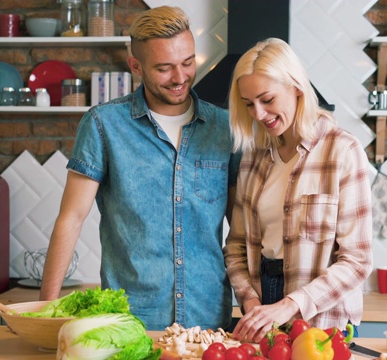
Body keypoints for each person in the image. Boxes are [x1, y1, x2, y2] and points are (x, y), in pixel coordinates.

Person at [39, 6, 241, 331]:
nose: (179, 78)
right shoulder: (104, 125)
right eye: (164, 68)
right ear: (136, 66)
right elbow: (71, 219)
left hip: (208, 324)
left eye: (187, 63)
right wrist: (45, 309)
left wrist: (255, 305)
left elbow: (241, 232)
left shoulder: (224, 128)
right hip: (131, 322)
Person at [223, 38, 373, 342]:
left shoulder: (342, 150)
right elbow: (236, 247)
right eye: (249, 104)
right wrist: (251, 301)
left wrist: (290, 305)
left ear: (296, 87)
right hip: (264, 308)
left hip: (323, 317)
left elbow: (358, 260)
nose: (258, 114)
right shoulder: (252, 158)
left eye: (267, 99)